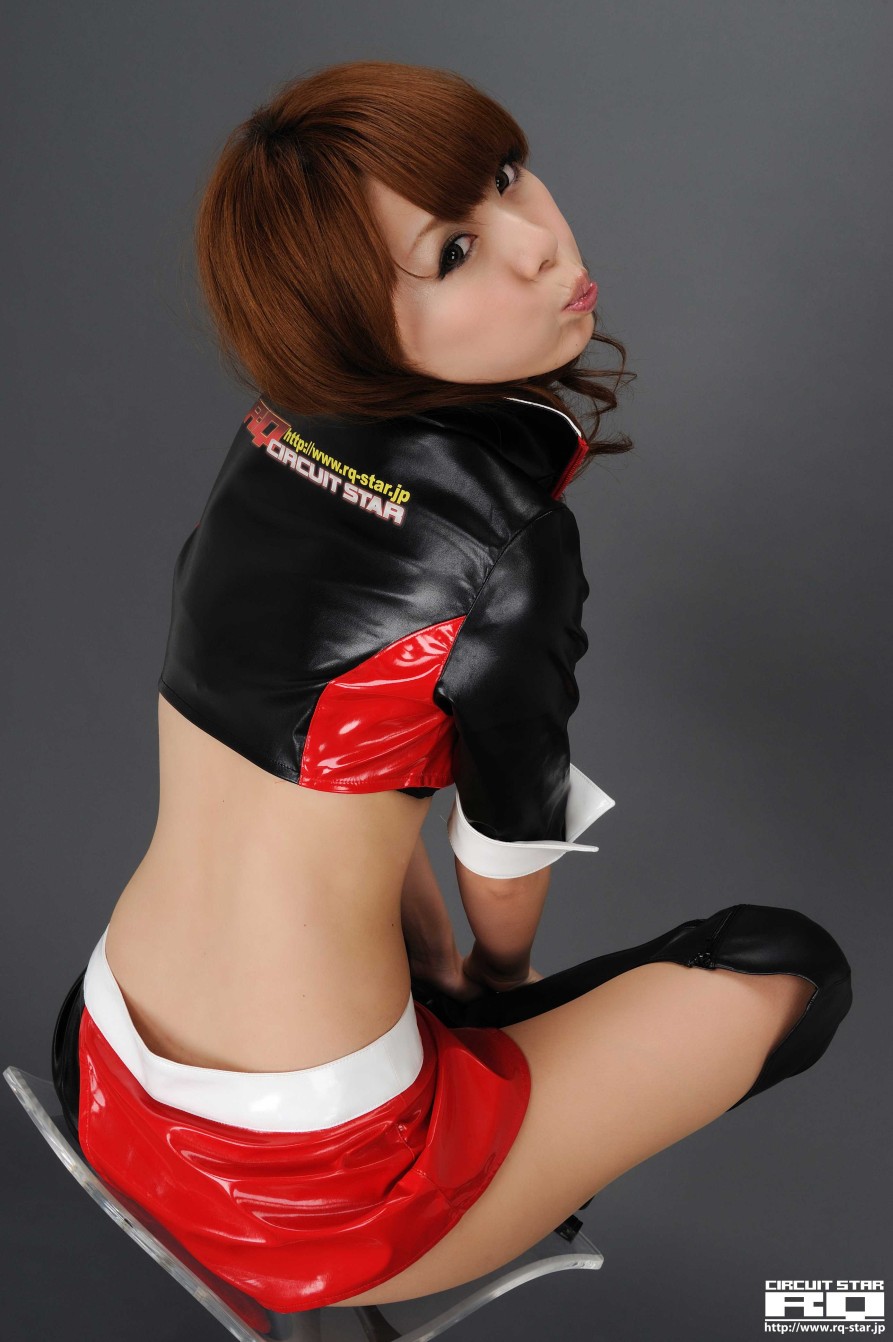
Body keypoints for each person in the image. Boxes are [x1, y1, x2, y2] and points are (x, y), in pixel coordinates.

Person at [50, 58, 853, 1316]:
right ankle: (482, 1144)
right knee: (788, 967)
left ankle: (468, 1070)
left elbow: (305, 756)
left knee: (446, 979)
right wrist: (493, 967)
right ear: (354, 321)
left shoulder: (270, 437)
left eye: (506, 173)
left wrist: (430, 952)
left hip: (103, 1055)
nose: (539, 243)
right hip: (315, 1188)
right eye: (455, 251)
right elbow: (508, 829)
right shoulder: (509, 541)